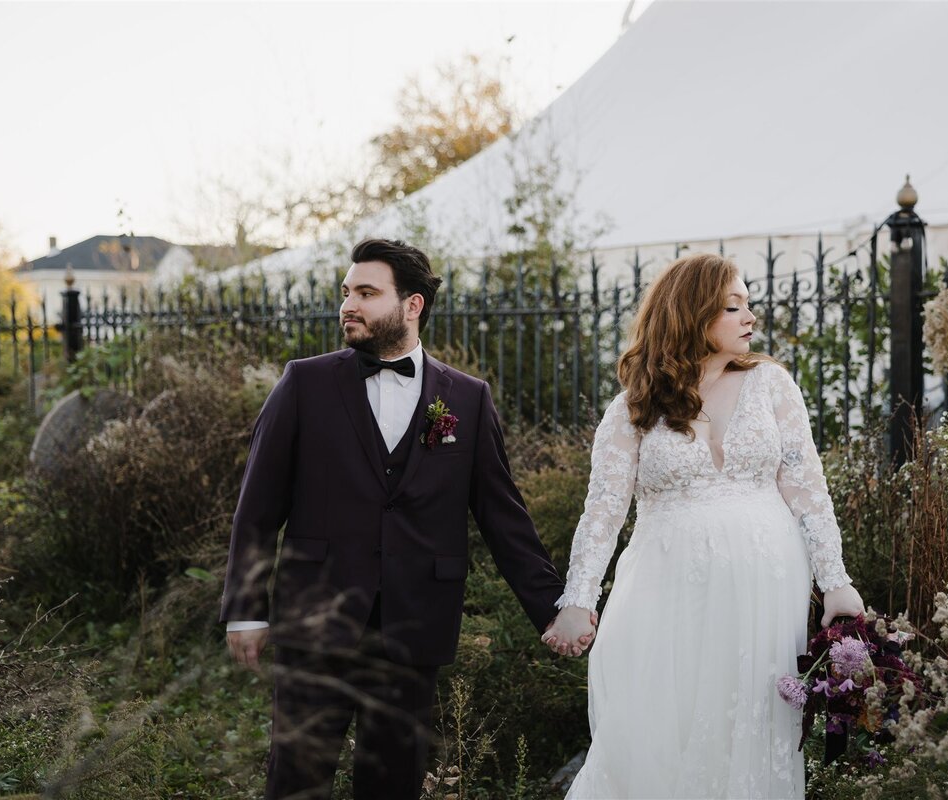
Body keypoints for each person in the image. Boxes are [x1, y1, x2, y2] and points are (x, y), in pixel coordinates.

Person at [220, 238, 593, 800]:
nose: (349, 304)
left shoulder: (466, 399)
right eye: (347, 292)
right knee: (297, 777)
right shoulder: (304, 384)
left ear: (412, 305)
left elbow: (502, 516)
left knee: (392, 783)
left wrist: (555, 607)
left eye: (366, 293)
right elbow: (257, 508)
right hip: (317, 617)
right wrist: (244, 610)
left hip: (415, 623)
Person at [542, 253, 864, 798]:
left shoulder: (772, 385)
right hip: (665, 588)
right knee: (659, 720)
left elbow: (807, 488)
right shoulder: (634, 407)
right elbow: (603, 509)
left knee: (750, 721)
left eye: (749, 304)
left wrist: (835, 582)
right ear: (691, 314)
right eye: (732, 305)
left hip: (765, 589)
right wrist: (578, 599)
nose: (749, 317)